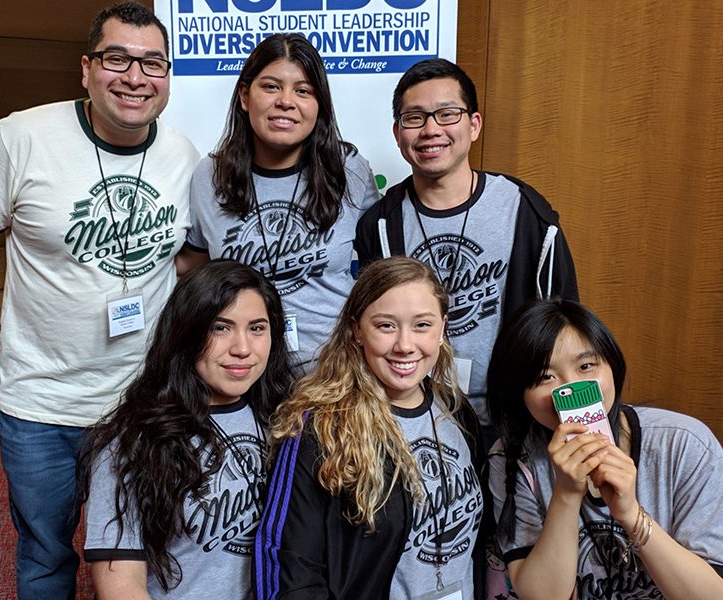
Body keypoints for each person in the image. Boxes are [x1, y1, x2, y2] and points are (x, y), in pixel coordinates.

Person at [0, 3, 200, 597]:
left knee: (150, 546)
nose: (135, 77)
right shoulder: (20, 137)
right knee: (45, 552)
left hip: (144, 397)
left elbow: (188, 258)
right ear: (86, 68)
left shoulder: (184, 157)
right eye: (118, 59)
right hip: (41, 399)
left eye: (153, 63)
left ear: (167, 76)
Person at [355, 58, 579, 430]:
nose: (431, 130)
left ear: (474, 125)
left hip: (513, 420)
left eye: (447, 114)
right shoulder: (379, 224)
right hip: (412, 421)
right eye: (415, 118)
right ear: (397, 133)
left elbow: (565, 326)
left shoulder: (524, 210)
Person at [486, 299, 723, 599]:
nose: (571, 388)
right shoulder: (513, 458)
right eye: (545, 377)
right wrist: (566, 494)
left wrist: (630, 514)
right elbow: (543, 596)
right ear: (518, 391)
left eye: (586, 366)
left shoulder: (684, 443)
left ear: (613, 366)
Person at [256, 256, 485, 600]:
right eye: (386, 326)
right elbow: (291, 570)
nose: (405, 345)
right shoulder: (320, 428)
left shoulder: (454, 408)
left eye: (422, 325)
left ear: (443, 328)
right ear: (356, 330)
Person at [81, 259, 294, 599]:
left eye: (257, 328)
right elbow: (121, 585)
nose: (241, 348)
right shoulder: (132, 441)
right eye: (219, 328)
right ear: (186, 333)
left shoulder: (289, 420)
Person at [177, 33, 380, 374]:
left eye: (303, 91)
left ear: (320, 104)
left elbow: (380, 272)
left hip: (334, 375)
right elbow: (193, 265)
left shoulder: (348, 168)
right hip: (241, 374)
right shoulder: (210, 175)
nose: (286, 101)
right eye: (271, 87)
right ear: (245, 95)